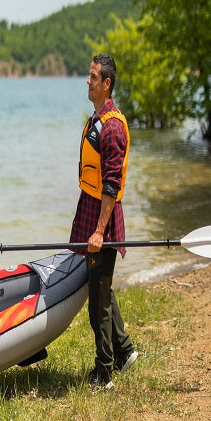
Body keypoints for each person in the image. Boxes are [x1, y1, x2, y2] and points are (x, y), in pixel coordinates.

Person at [70, 54, 138, 390]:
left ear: (106, 84)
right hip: (91, 210)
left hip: (102, 218)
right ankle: (124, 352)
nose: (87, 81)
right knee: (102, 289)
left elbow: (111, 184)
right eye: (89, 75)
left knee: (97, 302)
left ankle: (104, 371)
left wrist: (99, 230)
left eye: (93, 77)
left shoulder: (112, 127)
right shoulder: (99, 118)